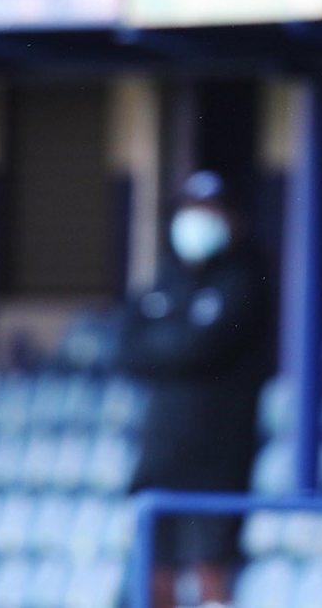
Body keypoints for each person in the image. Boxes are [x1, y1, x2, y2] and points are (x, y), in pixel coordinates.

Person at [118, 170, 272, 608]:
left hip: (219, 457)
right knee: (155, 570)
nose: (196, 221)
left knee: (210, 569)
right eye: (190, 210)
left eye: (208, 211)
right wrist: (181, 344)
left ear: (232, 221)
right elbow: (130, 349)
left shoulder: (244, 281)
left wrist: (170, 344)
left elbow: (202, 347)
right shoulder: (165, 279)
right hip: (161, 451)